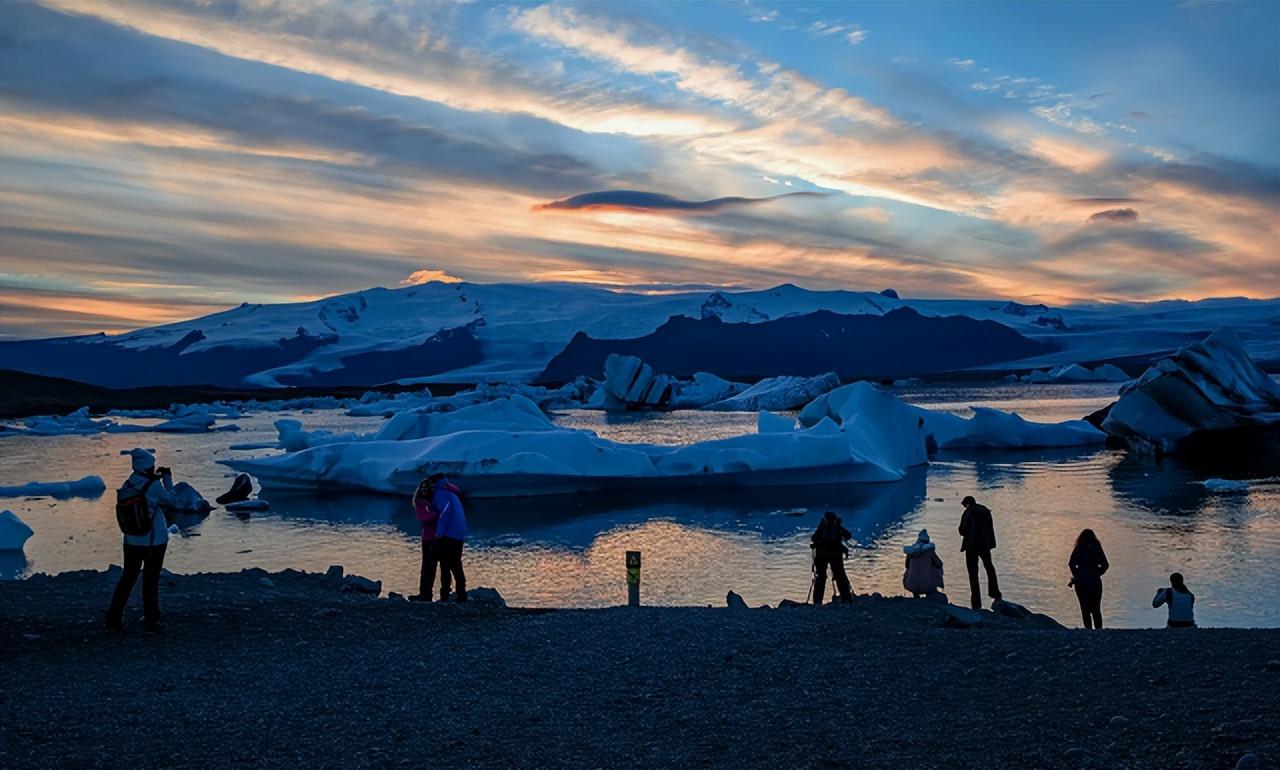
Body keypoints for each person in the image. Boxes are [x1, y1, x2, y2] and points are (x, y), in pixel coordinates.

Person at [105, 448, 180, 632]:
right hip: (154, 541)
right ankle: (151, 618)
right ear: (148, 466)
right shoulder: (153, 486)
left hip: (131, 540)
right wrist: (167, 479)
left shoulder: (129, 483)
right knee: (151, 578)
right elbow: (172, 501)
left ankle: (113, 618)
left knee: (128, 577)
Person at [408, 478, 450, 602]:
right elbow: (425, 518)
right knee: (428, 567)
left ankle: (437, 594)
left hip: (437, 537)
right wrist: (438, 514)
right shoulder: (421, 503)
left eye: (428, 488)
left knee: (436, 567)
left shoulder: (431, 502)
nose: (426, 491)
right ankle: (426, 594)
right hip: (429, 539)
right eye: (424, 489)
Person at [429, 473, 468, 603]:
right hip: (459, 533)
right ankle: (460, 593)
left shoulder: (441, 493)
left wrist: (438, 534)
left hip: (449, 533)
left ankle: (446, 595)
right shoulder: (451, 492)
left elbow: (445, 513)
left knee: (446, 564)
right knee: (456, 562)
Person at [958, 495, 1001, 610]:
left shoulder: (968, 512)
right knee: (989, 567)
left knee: (973, 574)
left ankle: (976, 602)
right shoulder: (985, 511)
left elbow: (962, 530)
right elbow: (990, 529)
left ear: (967, 504)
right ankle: (995, 593)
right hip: (985, 545)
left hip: (971, 546)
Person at [1068, 528, 1109, 629]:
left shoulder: (1079, 548)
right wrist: (1097, 573)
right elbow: (1105, 565)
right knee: (1096, 608)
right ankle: (1099, 630)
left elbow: (1071, 564)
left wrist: (1077, 575)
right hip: (1095, 582)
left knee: (1084, 608)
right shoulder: (1097, 548)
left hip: (1081, 583)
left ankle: (1088, 631)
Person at [810, 511, 853, 605]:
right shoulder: (836, 525)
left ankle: (817, 601)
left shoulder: (823, 525)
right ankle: (845, 598)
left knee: (821, 577)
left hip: (821, 555)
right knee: (840, 576)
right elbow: (848, 535)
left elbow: (813, 538)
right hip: (835, 555)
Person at [902, 529, 944, 600]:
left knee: (908, 570)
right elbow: (939, 563)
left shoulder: (911, 552)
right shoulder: (930, 551)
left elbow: (907, 566)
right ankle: (931, 590)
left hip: (911, 585)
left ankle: (916, 593)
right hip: (927, 585)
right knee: (937, 568)